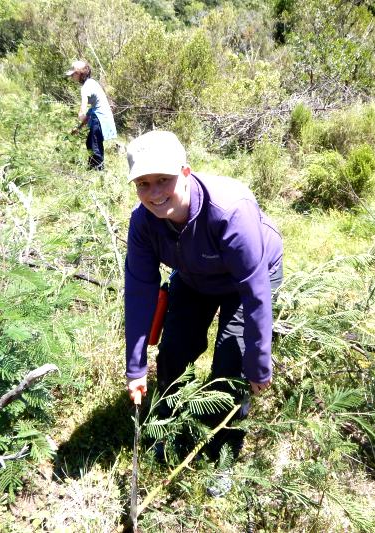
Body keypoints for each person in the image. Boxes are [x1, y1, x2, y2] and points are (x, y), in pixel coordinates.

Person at [124, 131, 283, 491]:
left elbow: (256, 292)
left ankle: (223, 452)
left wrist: (258, 363)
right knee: (174, 350)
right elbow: (138, 292)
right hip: (194, 276)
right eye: (143, 184)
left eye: (163, 180)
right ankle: (165, 422)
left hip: (249, 278)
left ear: (185, 172)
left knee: (230, 361)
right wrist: (135, 368)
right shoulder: (143, 222)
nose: (154, 193)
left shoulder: (229, 211)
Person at [66, 60, 117, 170]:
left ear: (80, 73)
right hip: (101, 118)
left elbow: (85, 107)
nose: (72, 77)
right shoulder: (92, 83)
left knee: (94, 146)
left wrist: (81, 113)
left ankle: (98, 172)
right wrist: (78, 128)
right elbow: (92, 111)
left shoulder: (86, 86)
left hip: (99, 119)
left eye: (73, 74)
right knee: (91, 143)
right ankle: (93, 169)